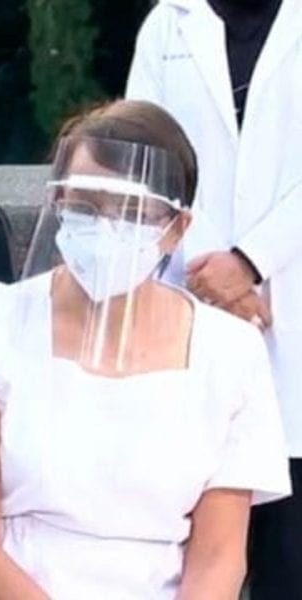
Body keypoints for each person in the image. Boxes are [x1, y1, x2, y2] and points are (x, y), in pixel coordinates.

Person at [0, 99, 292, 599]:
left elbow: (219, 557)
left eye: (130, 211)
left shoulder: (232, 353)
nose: (105, 226)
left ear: (176, 227)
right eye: (85, 204)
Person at [125, 1, 302, 596]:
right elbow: (142, 156)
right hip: (188, 296)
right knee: (194, 547)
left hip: (290, 301)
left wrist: (252, 260)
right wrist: (215, 273)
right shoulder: (169, 22)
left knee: (290, 554)